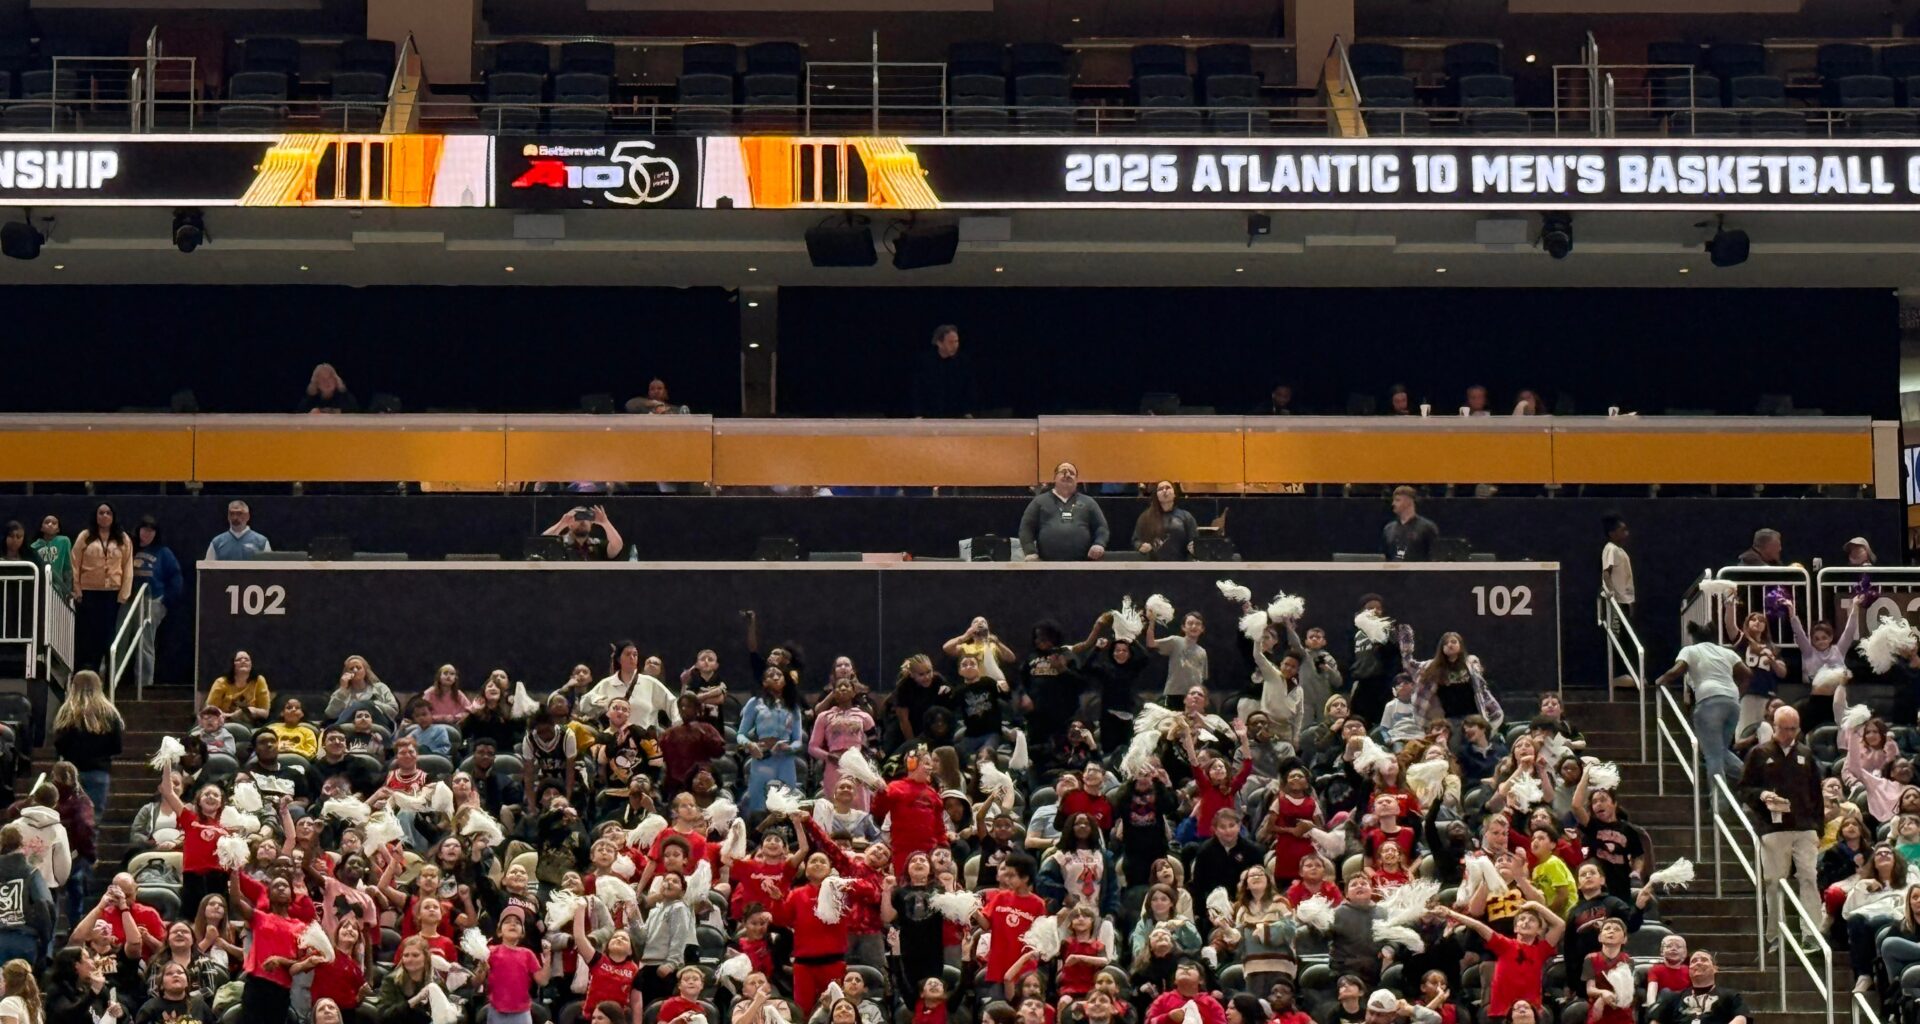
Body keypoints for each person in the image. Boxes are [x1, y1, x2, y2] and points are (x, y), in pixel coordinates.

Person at [1739, 704, 1824, 947]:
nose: (1789, 734)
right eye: (1784, 728)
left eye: (1793, 729)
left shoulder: (1806, 754)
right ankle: (1775, 935)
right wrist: (1763, 795)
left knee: (1809, 877)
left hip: (1805, 827)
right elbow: (1744, 788)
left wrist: (1818, 828)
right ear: (1774, 726)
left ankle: (1812, 934)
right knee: (1774, 881)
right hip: (1773, 827)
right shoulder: (1758, 753)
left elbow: (1816, 793)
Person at [1655, 641, 1751, 785]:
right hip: (1732, 702)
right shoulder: (1726, 652)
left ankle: (1719, 804)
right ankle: (1754, 778)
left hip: (1709, 701)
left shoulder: (1691, 650)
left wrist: (1660, 680)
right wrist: (1738, 695)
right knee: (1720, 751)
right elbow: (1747, 674)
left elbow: (1676, 670)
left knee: (1713, 756)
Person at [51, 669, 120, 820]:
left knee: (69, 818)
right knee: (93, 820)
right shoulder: (110, 713)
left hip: (71, 772)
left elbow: (58, 743)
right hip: (99, 771)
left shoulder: (66, 712)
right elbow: (117, 746)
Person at [70, 503, 131, 672]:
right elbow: (74, 563)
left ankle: (108, 679)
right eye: (101, 513)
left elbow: (127, 567)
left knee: (108, 637)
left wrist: (124, 594)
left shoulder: (123, 538)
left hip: (112, 595)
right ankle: (87, 674)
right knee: (88, 638)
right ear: (96, 516)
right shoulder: (85, 536)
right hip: (88, 594)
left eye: (108, 513)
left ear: (113, 516)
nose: (104, 516)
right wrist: (77, 589)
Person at [129, 516, 181, 692]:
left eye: (151, 530)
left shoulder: (163, 552)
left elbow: (175, 576)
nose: (146, 534)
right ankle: (111, 679)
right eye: (144, 529)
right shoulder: (129, 548)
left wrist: (165, 602)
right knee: (119, 641)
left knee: (145, 642)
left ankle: (144, 684)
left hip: (152, 600)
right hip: (127, 600)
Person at [1019, 463, 1108, 562]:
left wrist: (1099, 544)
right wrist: (1030, 552)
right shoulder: (1039, 501)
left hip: (1083, 565)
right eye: (1063, 472)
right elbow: (1026, 528)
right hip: (1046, 565)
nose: (1067, 475)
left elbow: (1101, 527)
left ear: (1077, 480)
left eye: (1072, 473)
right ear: (1054, 478)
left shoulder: (1089, 502)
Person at [1651, 951, 1749, 1024]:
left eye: (1704, 960)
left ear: (1715, 968)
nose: (1698, 963)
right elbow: (1655, 1021)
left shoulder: (1731, 996)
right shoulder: (1673, 998)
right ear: (1689, 970)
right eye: (1694, 961)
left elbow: (1741, 1020)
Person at [0, 826, 51, 962]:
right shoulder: (32, 873)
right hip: (24, 940)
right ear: (22, 844)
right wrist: (45, 941)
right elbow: (43, 904)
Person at [912, 324, 979, 419]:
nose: (955, 345)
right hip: (930, 415)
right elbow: (918, 390)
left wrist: (968, 411)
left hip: (957, 416)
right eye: (950, 342)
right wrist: (918, 413)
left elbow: (970, 389)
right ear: (939, 343)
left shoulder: (964, 362)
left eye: (956, 341)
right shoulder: (925, 362)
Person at [1132, 481, 1199, 562]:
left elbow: (1195, 541)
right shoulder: (1146, 517)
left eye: (1168, 488)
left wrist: (1195, 548)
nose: (1164, 491)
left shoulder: (1186, 516)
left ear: (1174, 494)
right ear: (1156, 495)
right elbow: (1136, 540)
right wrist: (1140, 546)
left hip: (1181, 566)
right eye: (1160, 489)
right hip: (1154, 566)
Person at [205, 651, 271, 725]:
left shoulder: (259, 680)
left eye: (246, 659)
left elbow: (265, 713)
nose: (243, 661)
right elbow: (209, 709)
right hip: (222, 722)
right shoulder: (221, 682)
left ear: (251, 664)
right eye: (239, 659)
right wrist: (232, 716)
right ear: (233, 665)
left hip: (248, 723)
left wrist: (250, 710)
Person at [542, 506, 625, 561]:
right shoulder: (560, 543)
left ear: (592, 523)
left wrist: (605, 523)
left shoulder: (597, 545)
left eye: (587, 517)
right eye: (578, 517)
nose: (583, 521)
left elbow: (617, 545)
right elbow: (543, 542)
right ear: (569, 524)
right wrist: (561, 524)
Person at [1381, 486, 1437, 562]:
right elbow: (1386, 557)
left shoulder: (1427, 527)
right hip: (1394, 572)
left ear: (1409, 501)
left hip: (1418, 572)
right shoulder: (1388, 529)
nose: (1393, 504)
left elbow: (1433, 556)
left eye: (1397, 500)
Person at [30, 517, 71, 603]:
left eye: (54, 523)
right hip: (40, 588)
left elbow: (68, 567)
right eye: (47, 522)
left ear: (58, 529)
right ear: (41, 528)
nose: (50, 524)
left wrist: (68, 590)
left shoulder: (64, 541)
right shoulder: (34, 546)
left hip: (58, 588)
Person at [1600, 514, 1633, 618]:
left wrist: (1629, 601)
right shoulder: (1611, 548)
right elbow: (1606, 572)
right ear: (1612, 533)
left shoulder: (1620, 550)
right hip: (1617, 601)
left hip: (1624, 600)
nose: (1626, 534)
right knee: (1616, 632)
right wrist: (1611, 593)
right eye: (1622, 530)